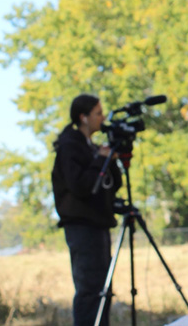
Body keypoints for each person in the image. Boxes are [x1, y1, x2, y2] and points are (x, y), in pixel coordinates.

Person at [52, 94, 122, 326]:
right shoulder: (70, 147)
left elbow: (111, 185)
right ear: (83, 117)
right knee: (90, 289)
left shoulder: (90, 147)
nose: (102, 118)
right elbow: (80, 185)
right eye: (98, 113)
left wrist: (109, 159)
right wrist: (98, 160)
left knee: (103, 288)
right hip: (82, 226)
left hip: (98, 224)